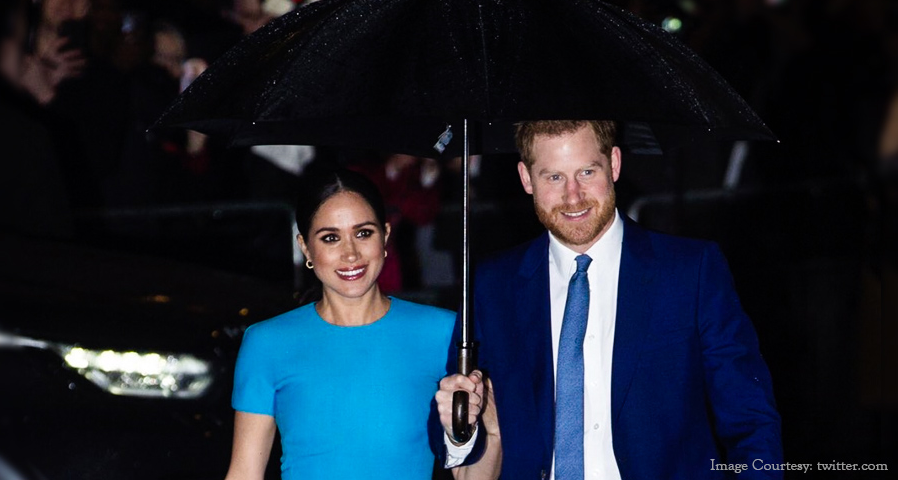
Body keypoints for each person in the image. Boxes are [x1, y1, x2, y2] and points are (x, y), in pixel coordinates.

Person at [436, 120, 782, 479]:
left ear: (614, 164)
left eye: (587, 171)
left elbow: (751, 419)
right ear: (526, 178)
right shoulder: (492, 286)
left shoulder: (689, 271)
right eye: (554, 177)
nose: (573, 195)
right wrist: (461, 425)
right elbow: (449, 428)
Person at [225, 168, 485, 480]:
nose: (350, 254)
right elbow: (244, 473)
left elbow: (475, 474)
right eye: (330, 238)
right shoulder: (267, 342)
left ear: (385, 236)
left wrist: (477, 428)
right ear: (305, 247)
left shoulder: (444, 333)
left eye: (363, 233)